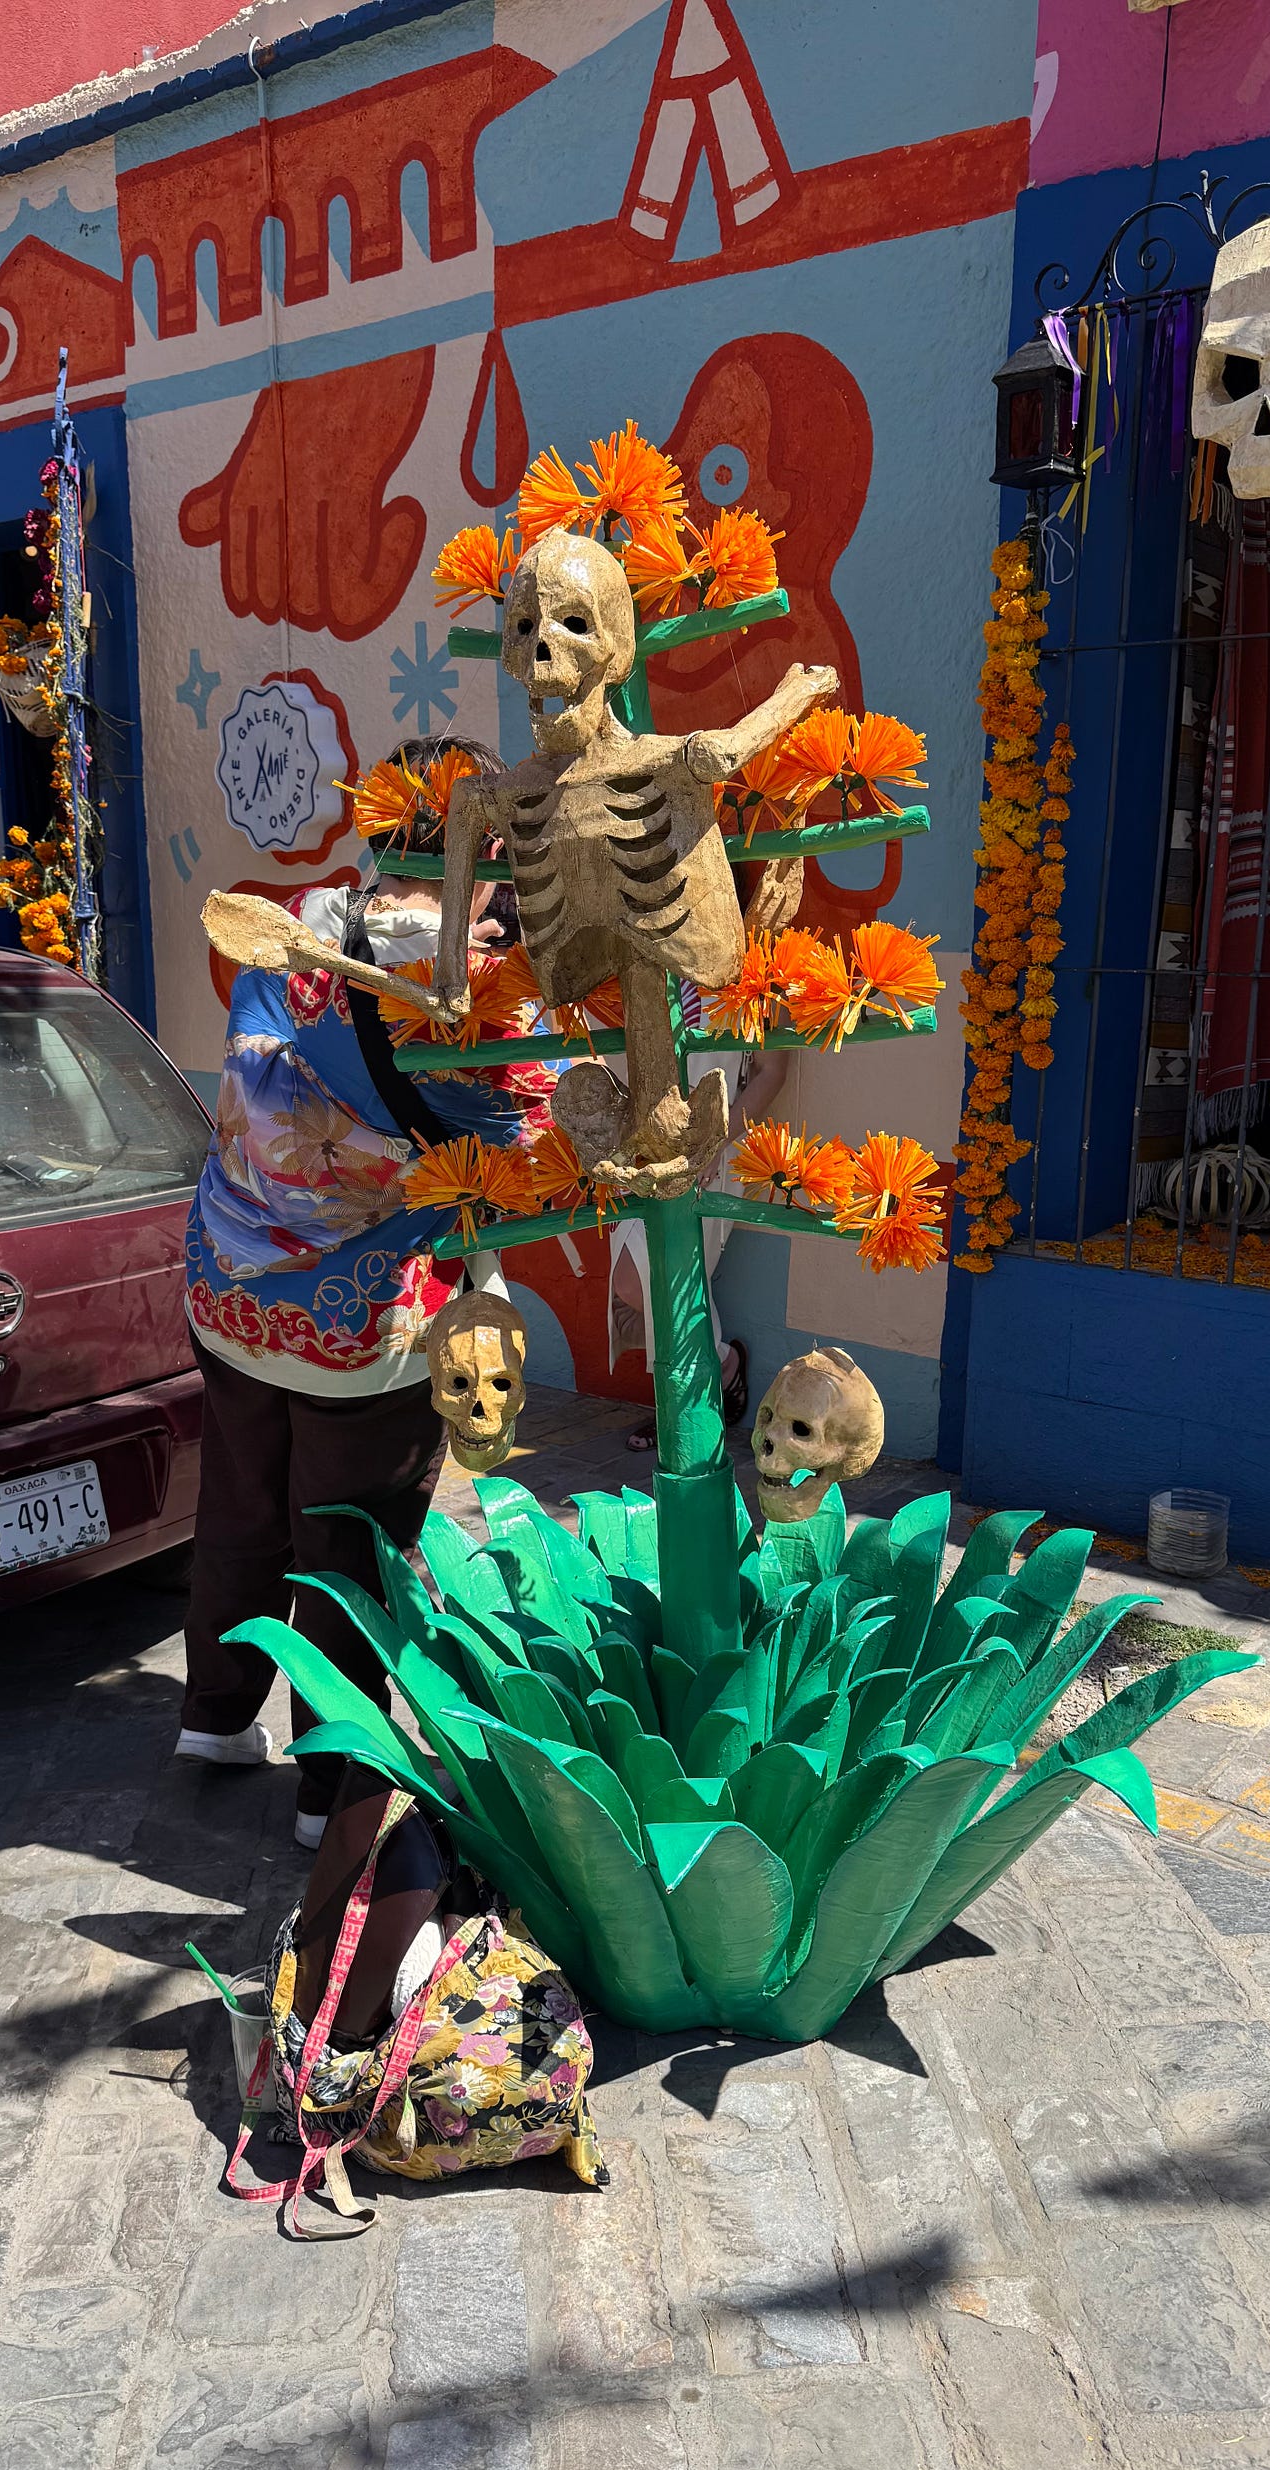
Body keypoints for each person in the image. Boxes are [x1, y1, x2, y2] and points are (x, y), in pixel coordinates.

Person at [174, 733, 544, 1849]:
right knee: (346, 1543)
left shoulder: (297, 933)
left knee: (240, 1504)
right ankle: (329, 1786)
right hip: (362, 1326)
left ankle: (214, 1714)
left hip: (230, 1288)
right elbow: (523, 1138)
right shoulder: (483, 989)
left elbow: (253, 1096)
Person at [613, 1044, 789, 1450]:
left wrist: (715, 1142)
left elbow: (772, 1072)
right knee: (644, 1280)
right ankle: (719, 1368)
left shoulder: (763, 982)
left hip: (717, 1147)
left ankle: (680, 1408)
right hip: (647, 1144)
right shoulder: (659, 976)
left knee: (666, 1280)